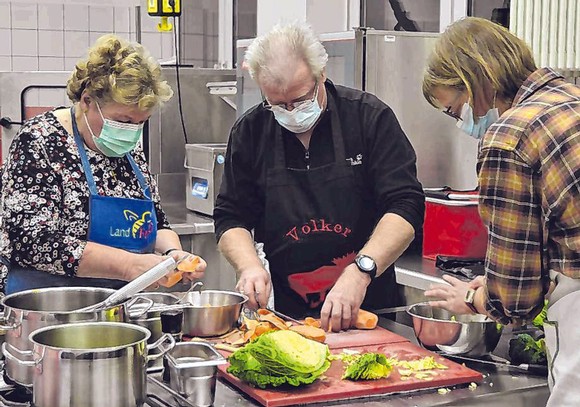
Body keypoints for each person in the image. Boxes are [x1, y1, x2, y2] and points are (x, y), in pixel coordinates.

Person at [213, 21, 425, 331]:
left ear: (320, 75)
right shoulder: (250, 132)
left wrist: (361, 270)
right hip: (292, 317)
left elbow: (406, 205)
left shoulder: (368, 118)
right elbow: (231, 216)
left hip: (371, 309)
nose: (291, 110)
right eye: (278, 104)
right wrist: (249, 266)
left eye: (300, 100)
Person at [421, 17, 579, 406]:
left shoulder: (510, 135)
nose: (461, 121)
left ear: (476, 80)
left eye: (455, 108)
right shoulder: (571, 99)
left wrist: (479, 300)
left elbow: (516, 302)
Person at [0, 34, 206, 295]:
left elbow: (158, 223)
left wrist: (173, 255)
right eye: (122, 120)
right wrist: (128, 265)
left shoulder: (128, 151)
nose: (131, 132)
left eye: (140, 123)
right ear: (87, 101)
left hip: (118, 305)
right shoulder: (40, 141)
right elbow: (31, 241)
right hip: (49, 306)